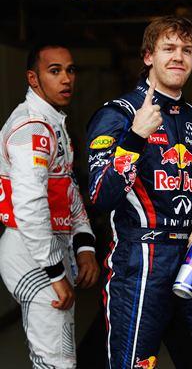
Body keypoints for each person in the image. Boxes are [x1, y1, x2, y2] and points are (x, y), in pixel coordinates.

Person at [87, 15, 192, 369]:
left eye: (187, 50)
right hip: (140, 266)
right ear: (148, 56)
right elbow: (101, 196)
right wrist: (134, 138)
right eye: (169, 48)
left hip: (191, 264)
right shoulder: (118, 114)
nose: (179, 56)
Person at [0, 43, 100, 368]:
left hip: (50, 249)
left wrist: (84, 245)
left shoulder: (53, 122)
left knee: (59, 358)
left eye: (70, 70)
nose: (66, 79)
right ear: (33, 78)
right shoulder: (32, 128)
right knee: (56, 361)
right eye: (54, 71)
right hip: (31, 252)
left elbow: (67, 189)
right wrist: (55, 271)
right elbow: (29, 208)